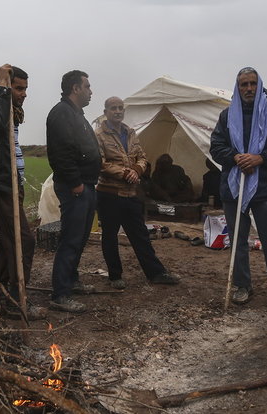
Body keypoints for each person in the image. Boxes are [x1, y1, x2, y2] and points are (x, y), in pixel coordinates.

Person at [210, 66, 267, 306]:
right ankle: (241, 285)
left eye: (252, 84)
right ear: (237, 88)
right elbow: (216, 147)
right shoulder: (227, 116)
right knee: (237, 240)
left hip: (266, 187)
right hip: (233, 187)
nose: (248, 88)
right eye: (243, 84)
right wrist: (236, 157)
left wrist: (261, 158)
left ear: (259, 86)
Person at [0, 64, 45, 319]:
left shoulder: (10, 107)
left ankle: (1, 294)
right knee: (23, 240)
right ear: (4, 84)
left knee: (6, 241)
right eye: (18, 88)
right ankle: (16, 300)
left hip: (13, 181)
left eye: (25, 88)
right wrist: (3, 85)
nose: (24, 93)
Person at [95, 97, 180, 289]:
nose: (117, 111)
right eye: (113, 108)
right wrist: (125, 173)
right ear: (106, 111)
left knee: (140, 234)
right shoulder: (98, 135)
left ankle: (156, 273)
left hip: (130, 193)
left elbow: (142, 156)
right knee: (110, 235)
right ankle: (115, 276)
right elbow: (100, 163)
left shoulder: (130, 132)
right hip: (109, 194)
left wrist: (137, 171)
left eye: (120, 108)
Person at [46, 70, 101, 313]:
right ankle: (61, 294)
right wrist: (75, 183)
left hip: (86, 184)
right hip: (75, 187)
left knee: (79, 237)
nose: (91, 91)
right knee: (70, 238)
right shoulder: (61, 114)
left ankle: (72, 280)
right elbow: (60, 153)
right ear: (75, 88)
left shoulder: (75, 113)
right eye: (87, 86)